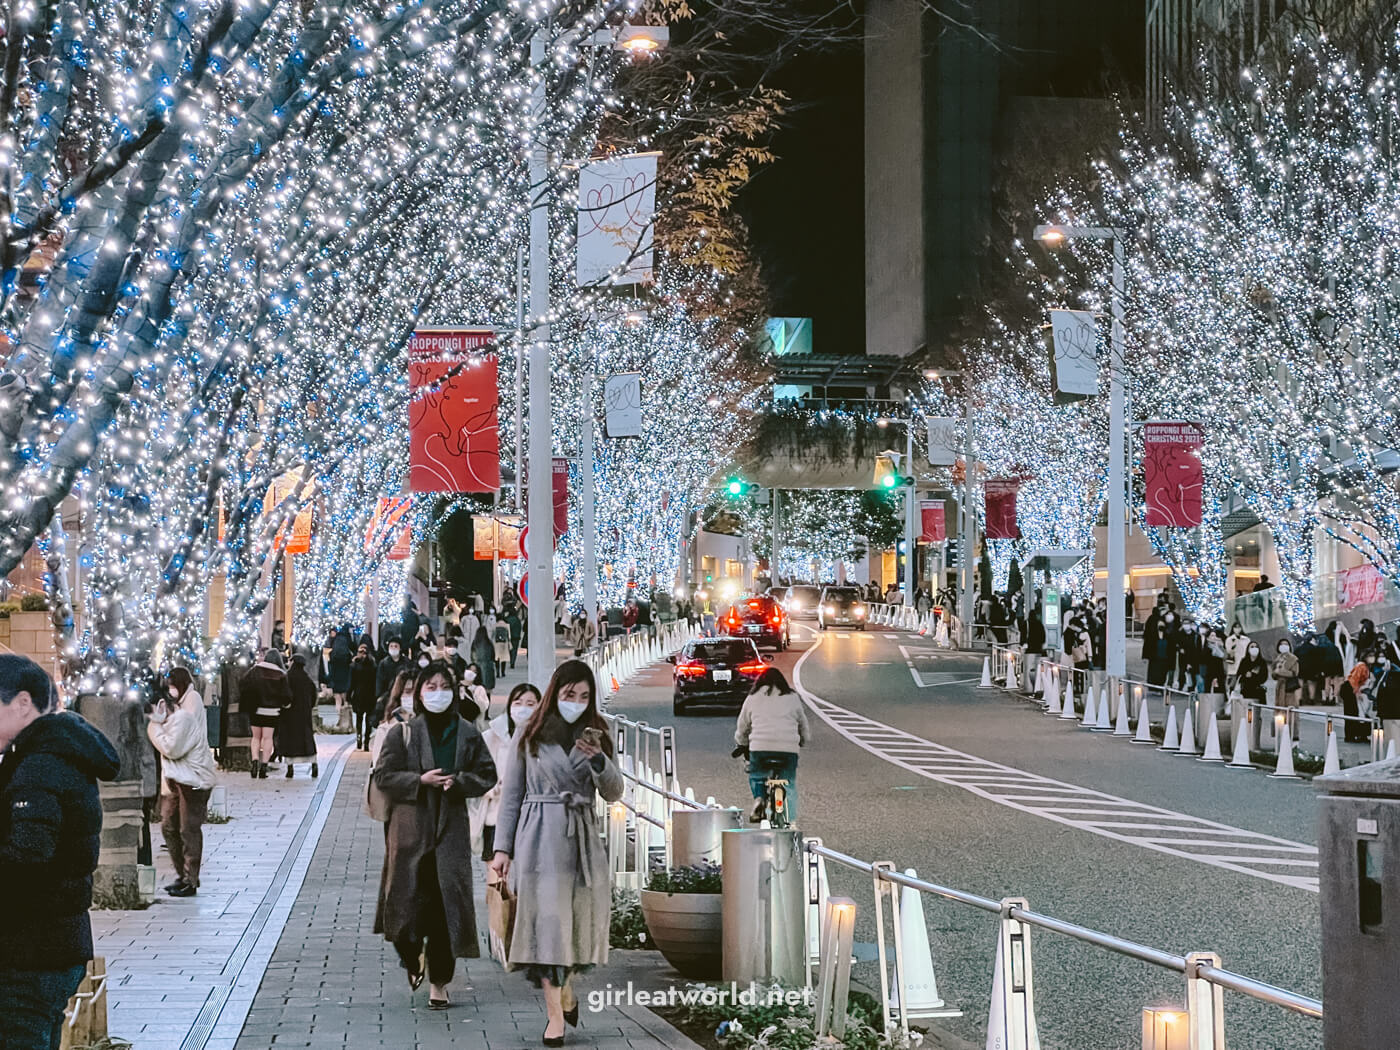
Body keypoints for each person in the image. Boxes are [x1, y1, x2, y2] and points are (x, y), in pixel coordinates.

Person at [490, 660, 624, 1045]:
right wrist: (502, 849)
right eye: (569, 694)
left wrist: (599, 759)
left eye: (584, 696)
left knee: (576, 924)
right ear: (555, 692)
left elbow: (615, 792)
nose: (576, 702)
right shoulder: (530, 732)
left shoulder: (599, 731)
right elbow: (512, 794)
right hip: (538, 837)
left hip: (580, 838)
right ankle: (555, 1017)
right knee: (546, 927)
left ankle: (566, 990)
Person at [0, 655, 120, 1050]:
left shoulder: (41, 765)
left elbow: (29, 858)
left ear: (22, 703)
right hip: (51, 940)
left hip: (32, 947)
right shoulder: (51, 753)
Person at [373, 662, 497, 1010]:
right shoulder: (404, 733)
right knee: (407, 908)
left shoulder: (467, 732)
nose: (437, 693)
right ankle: (411, 957)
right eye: (431, 686)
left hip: (450, 831)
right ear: (420, 692)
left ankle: (439, 983)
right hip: (411, 830)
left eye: (444, 685)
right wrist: (419, 781)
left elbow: (487, 774)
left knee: (445, 910)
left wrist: (458, 782)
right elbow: (384, 776)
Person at [147, 667, 217, 897]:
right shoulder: (174, 718)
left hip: (193, 780)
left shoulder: (185, 715)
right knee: (168, 825)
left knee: (188, 829)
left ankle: (190, 879)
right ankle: (182, 876)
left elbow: (172, 748)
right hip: (177, 780)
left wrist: (155, 728)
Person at [471, 682, 541, 861]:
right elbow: (477, 775)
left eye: (530, 704)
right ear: (509, 706)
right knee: (497, 881)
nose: (523, 709)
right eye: (518, 703)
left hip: (533, 820)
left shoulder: (545, 741)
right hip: (496, 816)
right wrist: (495, 788)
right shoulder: (490, 737)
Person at [734, 667, 810, 823]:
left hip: (760, 748)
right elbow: (802, 724)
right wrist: (803, 740)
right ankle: (789, 816)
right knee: (788, 782)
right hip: (788, 749)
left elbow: (743, 726)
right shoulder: (792, 697)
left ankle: (759, 799)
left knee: (756, 775)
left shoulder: (753, 698)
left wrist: (742, 743)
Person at [242, 649, 292, 778]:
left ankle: (254, 763)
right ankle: (264, 766)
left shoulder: (254, 671)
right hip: (272, 711)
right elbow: (286, 695)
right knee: (268, 738)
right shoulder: (281, 674)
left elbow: (243, 684)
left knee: (255, 737)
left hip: (256, 709)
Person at [281, 654, 319, 778]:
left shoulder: (288, 677)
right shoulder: (307, 679)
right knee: (306, 738)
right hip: (304, 713)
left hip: (290, 714)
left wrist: (285, 705)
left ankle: (290, 768)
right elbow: (314, 696)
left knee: (290, 739)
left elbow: (285, 695)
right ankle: (313, 763)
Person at [350, 642, 379, 750]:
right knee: (367, 720)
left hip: (360, 695)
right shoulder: (373, 665)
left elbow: (351, 682)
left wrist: (349, 695)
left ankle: (360, 739)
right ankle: (365, 741)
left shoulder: (355, 665)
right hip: (369, 695)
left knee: (360, 719)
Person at [1342, 655, 1375, 743]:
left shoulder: (1366, 667)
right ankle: (1350, 736)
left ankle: (1355, 735)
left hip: (1352, 689)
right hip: (1351, 689)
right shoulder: (1362, 666)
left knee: (1356, 713)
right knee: (1352, 712)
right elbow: (1354, 680)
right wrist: (1357, 692)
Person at [326, 627, 353, 726]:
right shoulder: (347, 653)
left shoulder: (333, 653)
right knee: (344, 699)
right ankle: (345, 720)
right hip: (345, 678)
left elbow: (330, 666)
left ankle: (338, 718)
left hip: (336, 678)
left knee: (337, 699)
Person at [377, 637, 410, 702]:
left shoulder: (407, 662)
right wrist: (380, 695)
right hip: (387, 695)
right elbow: (379, 680)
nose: (393, 648)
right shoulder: (383, 663)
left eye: (396, 646)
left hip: (403, 694)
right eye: (391, 646)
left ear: (400, 648)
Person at [1272, 637, 1301, 708]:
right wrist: (1275, 672)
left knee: (1290, 706)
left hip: (1289, 687)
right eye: (1281, 644)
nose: (1283, 646)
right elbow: (1273, 675)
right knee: (1280, 706)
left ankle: (1291, 718)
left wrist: (1281, 672)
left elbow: (1295, 673)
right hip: (1279, 687)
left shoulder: (1293, 659)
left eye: (1286, 644)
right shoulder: (1277, 659)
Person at [471, 623, 497, 693]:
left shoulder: (475, 643)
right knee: (488, 689)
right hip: (488, 666)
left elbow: (472, 655)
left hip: (478, 665)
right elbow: (493, 655)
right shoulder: (489, 642)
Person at [506, 605, 523, 669]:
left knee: (510, 649)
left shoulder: (507, 619)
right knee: (514, 650)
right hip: (516, 637)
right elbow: (520, 628)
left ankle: (511, 660)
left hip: (510, 637)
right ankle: (513, 662)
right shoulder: (517, 620)